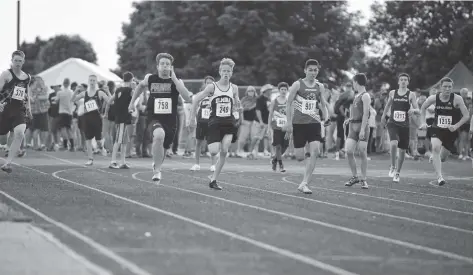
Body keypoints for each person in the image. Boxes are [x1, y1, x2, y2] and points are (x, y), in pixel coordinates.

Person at [128, 53, 192, 181]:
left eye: (167, 64)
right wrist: (132, 103)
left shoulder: (177, 82)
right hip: (154, 117)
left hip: (170, 120)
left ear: (171, 67)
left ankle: (157, 164)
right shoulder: (150, 78)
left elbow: (187, 98)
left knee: (164, 146)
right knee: (158, 135)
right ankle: (157, 171)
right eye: (162, 64)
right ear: (157, 66)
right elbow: (140, 86)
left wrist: (174, 78)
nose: (164, 66)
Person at [190, 58, 240, 190]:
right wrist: (191, 118)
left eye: (228, 71)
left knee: (224, 150)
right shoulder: (212, 87)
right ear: (219, 71)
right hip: (214, 123)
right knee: (213, 151)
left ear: (231, 73)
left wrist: (237, 106)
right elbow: (196, 100)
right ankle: (213, 172)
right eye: (224, 71)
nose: (226, 73)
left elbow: (236, 101)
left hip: (229, 123)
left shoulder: (234, 88)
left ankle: (214, 179)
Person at [284, 59, 328, 194]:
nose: (313, 73)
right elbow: (288, 103)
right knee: (300, 157)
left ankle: (304, 182)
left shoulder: (320, 86)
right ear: (305, 71)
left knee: (316, 151)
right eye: (310, 70)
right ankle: (304, 160)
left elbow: (322, 103)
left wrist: (326, 116)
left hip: (314, 122)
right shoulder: (297, 85)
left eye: (315, 70)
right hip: (298, 124)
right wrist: (288, 122)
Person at [420, 77, 470, 185]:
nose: (447, 89)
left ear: (452, 88)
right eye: (445, 87)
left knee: (442, 158)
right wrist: (423, 122)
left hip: (450, 131)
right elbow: (423, 107)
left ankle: (434, 156)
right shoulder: (434, 98)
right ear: (440, 87)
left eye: (449, 87)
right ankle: (440, 177)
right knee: (436, 147)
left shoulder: (457, 99)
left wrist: (456, 126)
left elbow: (466, 116)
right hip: (436, 128)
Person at [381, 73, 419, 182]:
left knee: (402, 151)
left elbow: (418, 110)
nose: (403, 81)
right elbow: (388, 105)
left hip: (405, 125)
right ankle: (392, 166)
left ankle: (397, 173)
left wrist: (413, 110)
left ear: (408, 82)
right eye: (401, 79)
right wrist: (384, 116)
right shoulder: (392, 93)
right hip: (393, 123)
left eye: (405, 80)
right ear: (398, 82)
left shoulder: (411, 95)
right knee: (393, 143)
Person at [0, 50, 32, 173]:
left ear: (23, 62)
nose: (17, 63)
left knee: (19, 133)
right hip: (5, 108)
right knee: (3, 139)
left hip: (19, 109)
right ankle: (4, 144)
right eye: (15, 61)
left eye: (20, 61)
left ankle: (8, 163)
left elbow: (27, 94)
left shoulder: (27, 77)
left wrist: (29, 109)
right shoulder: (6, 75)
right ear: (11, 61)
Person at [72, 75, 109, 165]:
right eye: (90, 80)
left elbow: (110, 101)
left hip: (97, 119)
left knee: (98, 141)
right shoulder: (85, 93)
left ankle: (102, 147)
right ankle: (90, 159)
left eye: (93, 80)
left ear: (96, 82)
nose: (92, 82)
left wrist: (108, 92)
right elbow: (73, 99)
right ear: (88, 82)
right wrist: (76, 91)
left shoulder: (99, 92)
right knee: (88, 139)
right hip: (87, 119)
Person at [343, 74, 371, 189]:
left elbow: (365, 114)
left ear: (356, 82)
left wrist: (363, 129)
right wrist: (349, 119)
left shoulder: (365, 96)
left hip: (362, 126)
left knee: (362, 152)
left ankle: (363, 179)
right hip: (353, 126)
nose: (353, 85)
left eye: (353, 82)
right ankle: (355, 176)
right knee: (349, 151)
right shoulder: (357, 95)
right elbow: (357, 111)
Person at [106, 72, 134, 169]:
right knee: (118, 139)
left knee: (124, 141)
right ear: (131, 80)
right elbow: (134, 100)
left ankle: (122, 162)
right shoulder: (131, 90)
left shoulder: (118, 90)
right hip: (124, 118)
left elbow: (110, 101)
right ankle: (113, 161)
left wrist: (117, 107)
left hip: (119, 117)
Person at [190, 76, 217, 172]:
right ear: (204, 84)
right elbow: (194, 106)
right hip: (201, 121)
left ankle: (213, 164)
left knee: (212, 143)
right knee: (198, 143)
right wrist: (192, 118)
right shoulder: (200, 95)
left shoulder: (216, 95)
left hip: (212, 122)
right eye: (207, 83)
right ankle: (197, 164)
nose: (208, 84)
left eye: (211, 83)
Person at [268, 82, 289, 172]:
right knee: (278, 146)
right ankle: (280, 164)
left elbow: (290, 115)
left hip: (285, 127)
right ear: (279, 90)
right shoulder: (274, 101)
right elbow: (270, 114)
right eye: (282, 89)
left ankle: (274, 160)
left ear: (287, 91)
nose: (283, 91)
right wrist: (268, 126)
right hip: (276, 126)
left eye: (285, 90)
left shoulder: (288, 102)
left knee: (285, 146)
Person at [56, 78, 75, 151]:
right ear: (69, 84)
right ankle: (72, 146)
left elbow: (56, 101)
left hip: (62, 112)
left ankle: (65, 145)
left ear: (63, 84)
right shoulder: (71, 92)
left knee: (63, 129)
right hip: (69, 113)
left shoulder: (60, 92)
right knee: (69, 129)